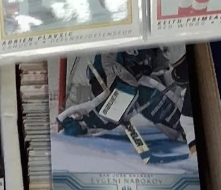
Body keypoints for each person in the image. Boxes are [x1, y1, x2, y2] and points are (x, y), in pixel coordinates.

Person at [58, 48, 191, 151]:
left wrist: (174, 73)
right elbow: (107, 74)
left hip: (139, 86)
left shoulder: (152, 45)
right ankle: (81, 123)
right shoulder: (112, 48)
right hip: (116, 86)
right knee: (126, 99)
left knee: (148, 93)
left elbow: (161, 69)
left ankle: (185, 129)